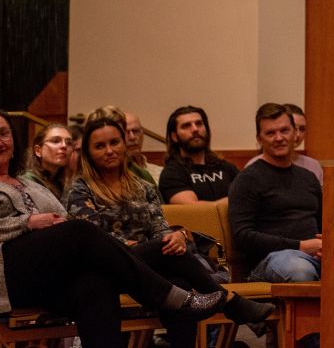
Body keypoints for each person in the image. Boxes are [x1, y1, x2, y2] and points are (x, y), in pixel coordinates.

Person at [0, 111, 230, 348]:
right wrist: (27, 222)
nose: (0, 141)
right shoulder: (79, 188)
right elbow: (72, 231)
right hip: (11, 277)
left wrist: (177, 235)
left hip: (53, 277)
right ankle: (175, 295)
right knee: (82, 230)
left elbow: (63, 226)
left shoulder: (31, 186)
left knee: (96, 283)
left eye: (4, 133)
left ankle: (181, 294)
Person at [64, 116, 272, 343]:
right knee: (163, 255)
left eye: (114, 142)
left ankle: (224, 307)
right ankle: (229, 301)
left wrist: (175, 238)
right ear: (88, 153)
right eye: (99, 146)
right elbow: (93, 240)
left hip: (149, 265)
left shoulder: (143, 186)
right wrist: (143, 245)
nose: (109, 150)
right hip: (106, 268)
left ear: (124, 144)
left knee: (180, 283)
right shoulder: (81, 189)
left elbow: (159, 227)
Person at [228, 104, 322, 283]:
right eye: (270, 133)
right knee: (299, 270)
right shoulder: (247, 179)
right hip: (271, 260)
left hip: (315, 256)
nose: (278, 138)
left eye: (284, 130)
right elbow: (243, 237)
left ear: (295, 133)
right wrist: (301, 246)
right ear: (259, 138)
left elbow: (323, 224)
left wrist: (325, 245)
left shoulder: (308, 177)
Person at [158, 106, 240, 204]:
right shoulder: (172, 173)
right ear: (174, 137)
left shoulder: (226, 167)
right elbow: (197, 211)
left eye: (199, 124)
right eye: (186, 126)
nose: (195, 129)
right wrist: (237, 200)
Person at [245, 104, 323, 184]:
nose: (298, 134)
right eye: (271, 133)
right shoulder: (252, 169)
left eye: (302, 129)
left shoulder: (313, 166)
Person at [20, 122, 74, 201]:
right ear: (38, 150)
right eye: (55, 141)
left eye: (69, 143)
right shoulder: (28, 182)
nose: (64, 146)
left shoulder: (59, 182)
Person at [125, 112, 164, 183]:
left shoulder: (161, 173)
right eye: (125, 132)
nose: (132, 137)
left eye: (135, 131)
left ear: (142, 135)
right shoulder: (116, 177)